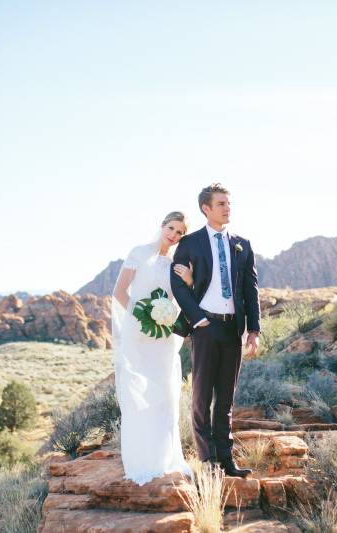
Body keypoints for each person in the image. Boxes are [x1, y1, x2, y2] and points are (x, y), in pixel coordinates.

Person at [170, 183, 261, 478]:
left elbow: (250, 289)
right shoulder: (191, 243)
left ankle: (227, 460)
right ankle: (208, 461)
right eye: (221, 203)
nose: (227, 208)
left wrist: (254, 329)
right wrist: (197, 318)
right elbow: (177, 285)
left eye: (229, 203)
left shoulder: (242, 244)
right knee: (201, 397)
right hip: (205, 327)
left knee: (226, 399)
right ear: (206, 209)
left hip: (232, 329)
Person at [111, 211, 195, 485]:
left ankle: (166, 457)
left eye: (179, 232)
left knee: (166, 393)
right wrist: (142, 317)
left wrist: (189, 283)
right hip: (139, 334)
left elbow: (181, 300)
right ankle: (142, 460)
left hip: (164, 338)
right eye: (171, 227)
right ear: (162, 226)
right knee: (139, 393)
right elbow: (120, 292)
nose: (173, 234)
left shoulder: (174, 265)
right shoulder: (138, 253)